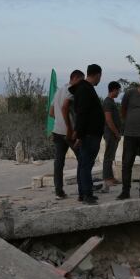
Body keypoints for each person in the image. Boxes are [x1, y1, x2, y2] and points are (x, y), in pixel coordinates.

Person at [70, 64, 105, 204]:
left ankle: (84, 193)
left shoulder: (85, 89)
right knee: (85, 165)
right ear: (97, 75)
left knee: (84, 164)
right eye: (100, 76)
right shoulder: (85, 89)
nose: (100, 79)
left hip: (90, 133)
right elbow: (82, 114)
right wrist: (79, 135)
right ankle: (86, 195)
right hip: (89, 135)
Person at [49, 69, 84, 199]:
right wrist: (69, 126)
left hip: (57, 131)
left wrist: (60, 120)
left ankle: (59, 190)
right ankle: (83, 189)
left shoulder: (58, 91)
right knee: (82, 159)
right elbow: (65, 107)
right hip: (69, 132)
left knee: (59, 162)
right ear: (74, 78)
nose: (81, 84)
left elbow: (51, 113)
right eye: (81, 80)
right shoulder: (71, 91)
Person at [102, 81, 122, 192]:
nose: (118, 92)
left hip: (113, 134)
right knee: (108, 156)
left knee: (111, 156)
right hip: (110, 133)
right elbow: (108, 119)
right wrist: (116, 133)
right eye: (118, 90)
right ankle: (107, 178)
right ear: (113, 90)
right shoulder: (107, 102)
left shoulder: (111, 102)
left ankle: (111, 177)